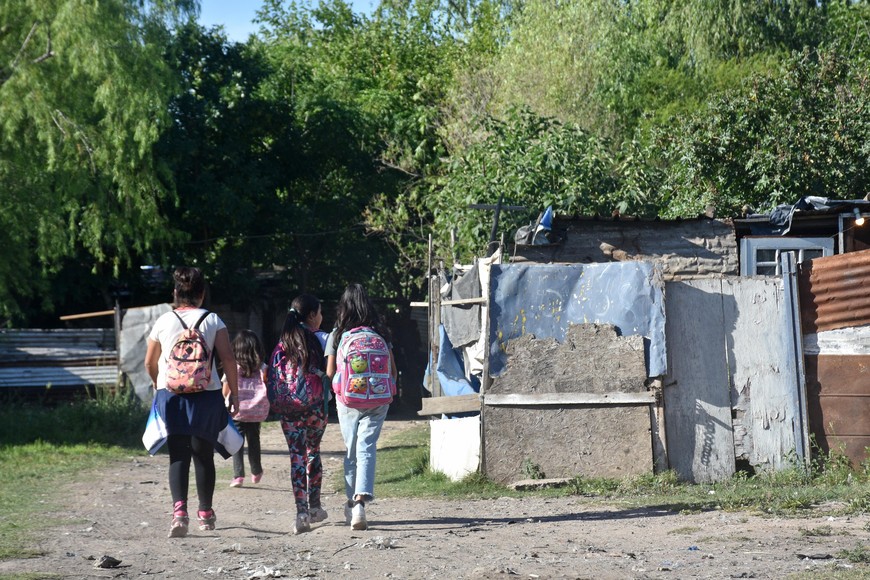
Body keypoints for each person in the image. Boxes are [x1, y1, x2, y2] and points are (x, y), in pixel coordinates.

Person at [144, 266, 239, 538]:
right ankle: (206, 514)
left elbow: (149, 362)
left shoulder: (164, 320)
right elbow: (228, 359)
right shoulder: (213, 320)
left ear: (175, 292)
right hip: (206, 396)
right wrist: (236, 393)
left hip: (170, 395)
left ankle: (179, 514)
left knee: (178, 454)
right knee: (203, 455)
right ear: (202, 293)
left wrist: (157, 381)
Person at [325, 283, 397, 531]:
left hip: (348, 399)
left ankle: (353, 503)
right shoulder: (382, 333)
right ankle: (360, 503)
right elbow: (393, 370)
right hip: (379, 398)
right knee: (367, 447)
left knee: (351, 448)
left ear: (343, 307)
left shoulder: (338, 334)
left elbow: (330, 371)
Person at [268, 294, 329, 534]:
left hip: (288, 409)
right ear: (312, 315)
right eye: (320, 312)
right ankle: (315, 507)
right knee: (313, 452)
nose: (322, 317)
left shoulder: (283, 342)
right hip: (315, 408)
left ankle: (301, 513)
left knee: (296, 457)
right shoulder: (321, 339)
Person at [223, 330, 269, 488]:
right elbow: (266, 384)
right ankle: (256, 471)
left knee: (237, 442)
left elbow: (225, 390)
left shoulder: (232, 367)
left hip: (238, 411)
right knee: (254, 440)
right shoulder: (262, 367)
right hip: (256, 411)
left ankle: (238, 476)